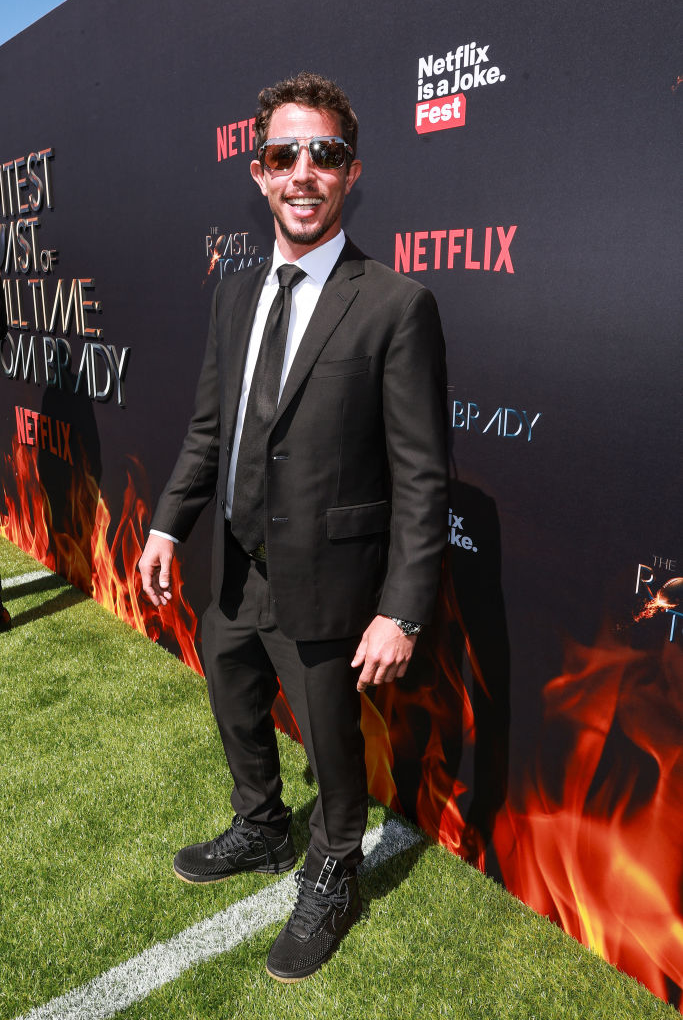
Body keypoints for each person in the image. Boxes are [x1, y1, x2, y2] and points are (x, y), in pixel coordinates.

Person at [138, 71, 448, 982]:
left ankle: (333, 868)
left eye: (324, 154)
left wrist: (402, 609)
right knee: (233, 701)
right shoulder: (236, 293)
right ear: (258, 171)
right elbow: (210, 429)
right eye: (284, 155)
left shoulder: (395, 304)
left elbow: (422, 476)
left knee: (331, 738)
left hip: (329, 579)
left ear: (351, 172)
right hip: (231, 565)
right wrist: (165, 528)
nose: (303, 171)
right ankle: (262, 825)